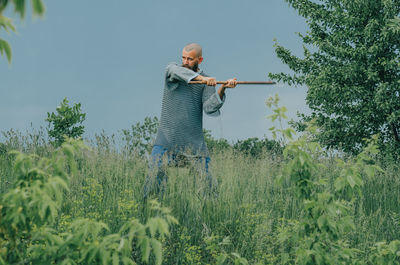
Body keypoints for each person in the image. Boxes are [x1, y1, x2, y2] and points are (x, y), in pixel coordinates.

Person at [143, 43, 237, 198]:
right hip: (166, 140)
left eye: (190, 59)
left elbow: (209, 107)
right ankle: (148, 214)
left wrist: (223, 88)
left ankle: (210, 214)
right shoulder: (172, 71)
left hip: (193, 143)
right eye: (183, 58)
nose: (185, 62)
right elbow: (174, 69)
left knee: (209, 189)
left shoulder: (207, 81)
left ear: (199, 60)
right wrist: (201, 79)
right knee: (152, 184)